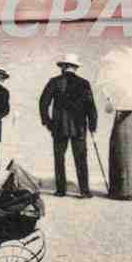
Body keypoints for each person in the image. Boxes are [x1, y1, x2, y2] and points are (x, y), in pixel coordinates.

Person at [39, 54, 97, 198]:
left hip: (59, 126)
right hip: (79, 127)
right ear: (76, 68)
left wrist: (48, 122)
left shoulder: (54, 82)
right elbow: (91, 106)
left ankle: (61, 190)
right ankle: (84, 191)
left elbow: (43, 103)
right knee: (81, 158)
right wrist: (92, 125)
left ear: (64, 67)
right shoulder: (84, 83)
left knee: (59, 158)